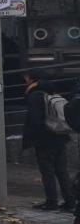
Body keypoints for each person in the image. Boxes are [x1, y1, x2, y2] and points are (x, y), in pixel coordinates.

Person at [23, 70, 74, 212]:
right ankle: (70, 202)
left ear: (32, 79)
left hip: (45, 140)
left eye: (26, 78)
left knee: (47, 172)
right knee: (62, 171)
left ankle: (51, 202)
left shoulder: (35, 96)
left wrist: (32, 139)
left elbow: (35, 120)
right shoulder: (52, 93)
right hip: (60, 136)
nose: (25, 81)